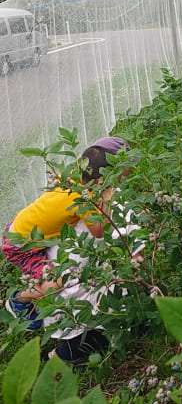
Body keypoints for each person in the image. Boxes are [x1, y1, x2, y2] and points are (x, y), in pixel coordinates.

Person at [2, 136, 131, 330]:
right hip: (19, 245)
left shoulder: (73, 176)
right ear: (103, 180)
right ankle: (19, 300)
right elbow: (98, 230)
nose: (123, 181)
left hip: (20, 226)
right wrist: (108, 196)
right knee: (56, 284)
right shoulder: (80, 199)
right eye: (120, 177)